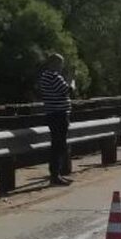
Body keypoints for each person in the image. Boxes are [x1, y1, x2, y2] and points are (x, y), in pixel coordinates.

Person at [38, 53, 75, 186]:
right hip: (58, 114)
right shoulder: (53, 76)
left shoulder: (45, 76)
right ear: (53, 63)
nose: (61, 66)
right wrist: (71, 81)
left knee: (58, 144)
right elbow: (66, 90)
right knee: (59, 145)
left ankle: (57, 173)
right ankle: (55, 175)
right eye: (60, 63)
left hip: (53, 113)